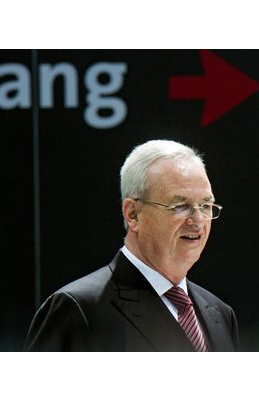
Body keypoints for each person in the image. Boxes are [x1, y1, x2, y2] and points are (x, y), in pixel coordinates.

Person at [24, 140, 240, 351]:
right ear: (133, 214)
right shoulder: (78, 309)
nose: (198, 220)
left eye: (205, 205)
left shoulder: (220, 314)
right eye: (180, 206)